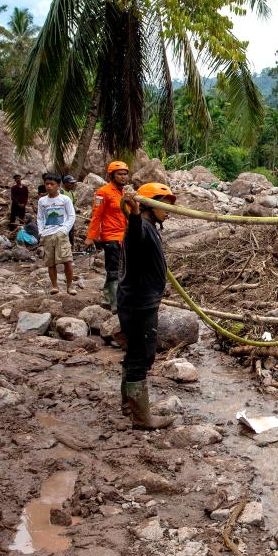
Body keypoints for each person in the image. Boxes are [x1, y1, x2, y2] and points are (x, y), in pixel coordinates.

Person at [117, 183, 178, 430]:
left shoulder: (149, 226)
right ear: (150, 205)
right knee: (142, 356)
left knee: (135, 353)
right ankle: (142, 417)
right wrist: (133, 212)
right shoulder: (139, 226)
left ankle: (127, 405)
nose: (169, 210)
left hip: (138, 300)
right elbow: (133, 237)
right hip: (139, 303)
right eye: (164, 204)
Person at [86, 161, 130, 311]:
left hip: (124, 236)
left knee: (123, 269)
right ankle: (115, 304)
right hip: (111, 237)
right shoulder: (103, 192)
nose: (123, 177)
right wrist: (90, 236)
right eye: (120, 174)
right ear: (112, 176)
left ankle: (108, 297)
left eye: (125, 174)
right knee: (114, 270)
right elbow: (96, 216)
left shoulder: (125, 193)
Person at [38, 173, 77, 294]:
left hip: (61, 234)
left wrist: (64, 230)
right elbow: (40, 217)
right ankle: (54, 286)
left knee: (67, 260)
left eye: (52, 184)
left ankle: (70, 286)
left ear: (58, 185)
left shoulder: (65, 199)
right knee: (50, 263)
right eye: (47, 184)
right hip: (47, 234)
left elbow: (71, 216)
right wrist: (41, 232)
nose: (49, 186)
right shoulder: (42, 201)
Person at [60, 175, 79, 246]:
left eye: (73, 183)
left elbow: (73, 204)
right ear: (65, 183)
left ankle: (71, 247)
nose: (72, 185)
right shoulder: (61, 192)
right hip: (63, 217)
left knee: (71, 233)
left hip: (71, 217)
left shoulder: (71, 193)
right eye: (70, 183)